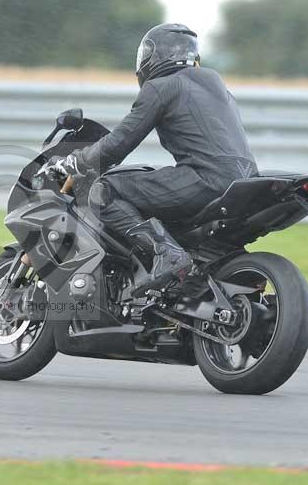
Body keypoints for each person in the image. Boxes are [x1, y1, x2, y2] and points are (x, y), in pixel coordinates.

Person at [48, 23, 258, 295]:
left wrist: (76, 161)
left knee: (103, 190)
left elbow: (119, 143)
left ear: (153, 57)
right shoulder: (219, 90)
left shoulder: (162, 87)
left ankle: (166, 253)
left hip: (205, 181)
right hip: (245, 182)